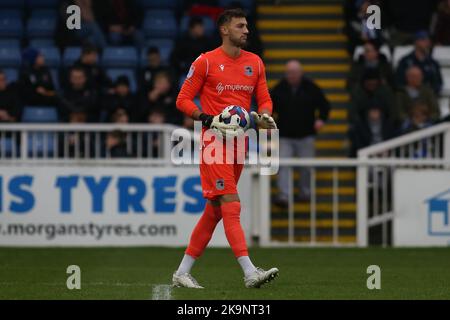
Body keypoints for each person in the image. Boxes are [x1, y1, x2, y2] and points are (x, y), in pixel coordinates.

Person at [174, 8, 279, 289]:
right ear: (224, 29)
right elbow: (183, 99)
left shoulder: (255, 63)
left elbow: (264, 98)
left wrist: (264, 115)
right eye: (240, 26)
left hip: (240, 143)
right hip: (213, 142)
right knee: (231, 204)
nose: (246, 30)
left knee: (215, 210)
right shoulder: (206, 62)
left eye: (247, 26)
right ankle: (249, 272)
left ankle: (182, 272)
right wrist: (206, 118)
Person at [271, 60, 330, 205]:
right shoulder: (279, 89)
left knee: (307, 167)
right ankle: (284, 195)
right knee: (283, 165)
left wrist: (321, 119)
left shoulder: (311, 87)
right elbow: (268, 107)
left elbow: (325, 105)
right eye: (289, 73)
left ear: (301, 73)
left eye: (295, 72)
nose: (292, 76)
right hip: (285, 135)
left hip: (306, 135)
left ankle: (305, 192)